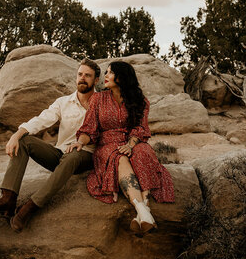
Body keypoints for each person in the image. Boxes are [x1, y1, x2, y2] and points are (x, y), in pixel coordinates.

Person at [0, 57, 100, 232]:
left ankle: (29, 208)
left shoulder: (103, 102)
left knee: (72, 157)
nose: (82, 78)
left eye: (87, 75)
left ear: (96, 80)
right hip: (61, 153)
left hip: (86, 155)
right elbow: (42, 119)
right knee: (24, 141)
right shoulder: (63, 102)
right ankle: (8, 199)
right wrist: (17, 134)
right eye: (80, 74)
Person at [70, 61, 174, 234]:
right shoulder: (98, 99)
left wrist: (131, 144)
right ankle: (143, 211)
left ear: (121, 77)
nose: (106, 76)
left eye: (110, 73)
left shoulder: (140, 101)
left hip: (132, 141)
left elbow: (141, 128)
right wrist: (80, 142)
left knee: (143, 152)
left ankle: (143, 215)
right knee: (120, 157)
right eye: (106, 73)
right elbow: (89, 127)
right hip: (107, 144)